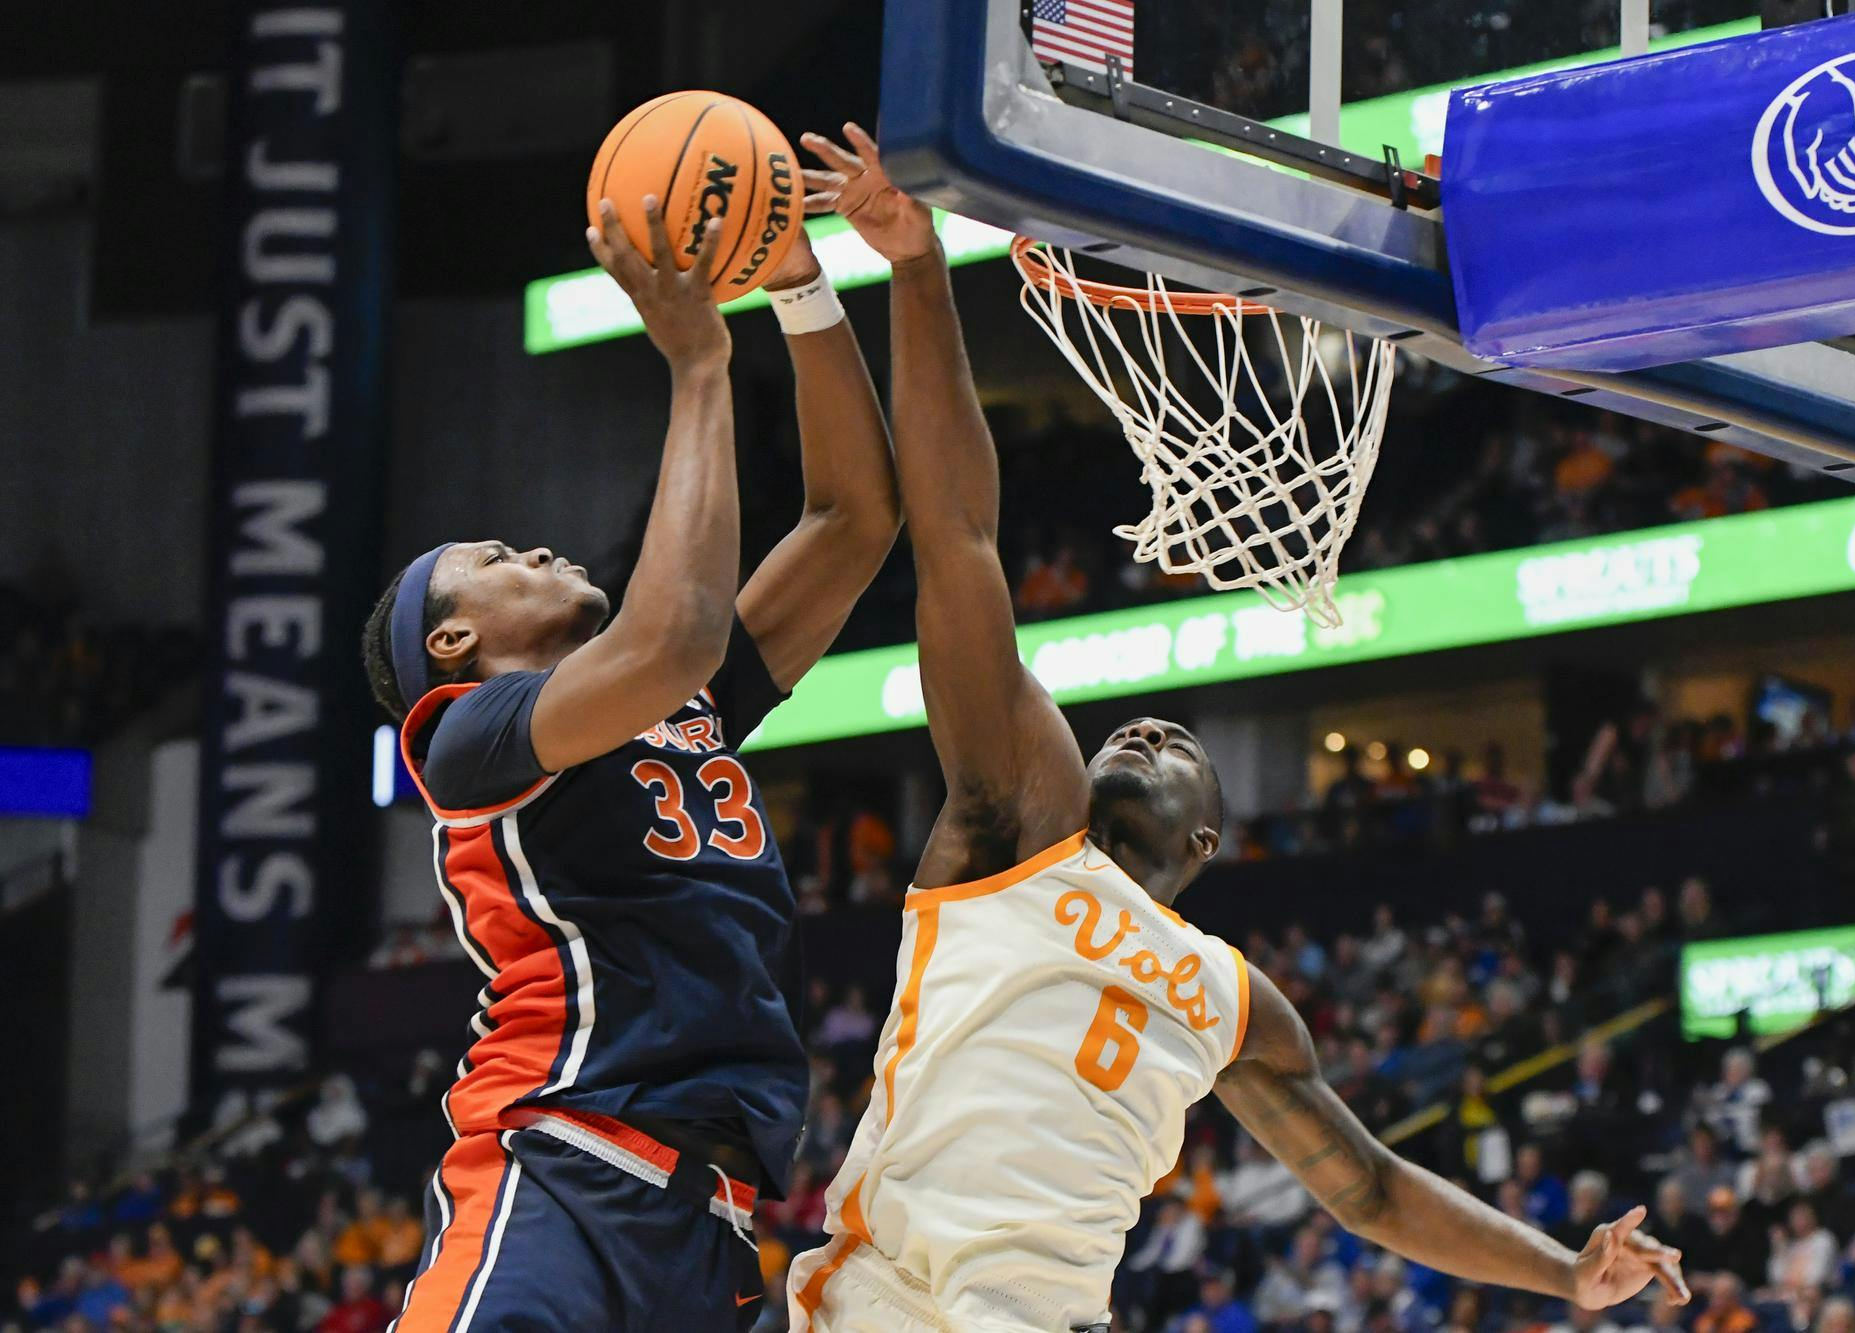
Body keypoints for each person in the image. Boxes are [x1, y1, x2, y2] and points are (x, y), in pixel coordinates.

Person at [783, 121, 1689, 1333]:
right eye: (1138, 732)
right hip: (884, 1301)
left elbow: (1366, 1187)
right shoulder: (1016, 824)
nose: (1149, 730)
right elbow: (958, 539)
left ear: (1204, 843)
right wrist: (913, 265)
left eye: (1181, 750)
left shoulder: (1234, 998)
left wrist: (1563, 1272)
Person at [367, 198, 900, 1332]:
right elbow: (675, 635)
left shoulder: (677, 707)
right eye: (499, 558)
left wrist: (801, 283)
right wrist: (700, 364)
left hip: (708, 1225)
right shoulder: (468, 734)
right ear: (450, 641)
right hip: (562, 1175)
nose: (538, 548)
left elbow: (856, 519)